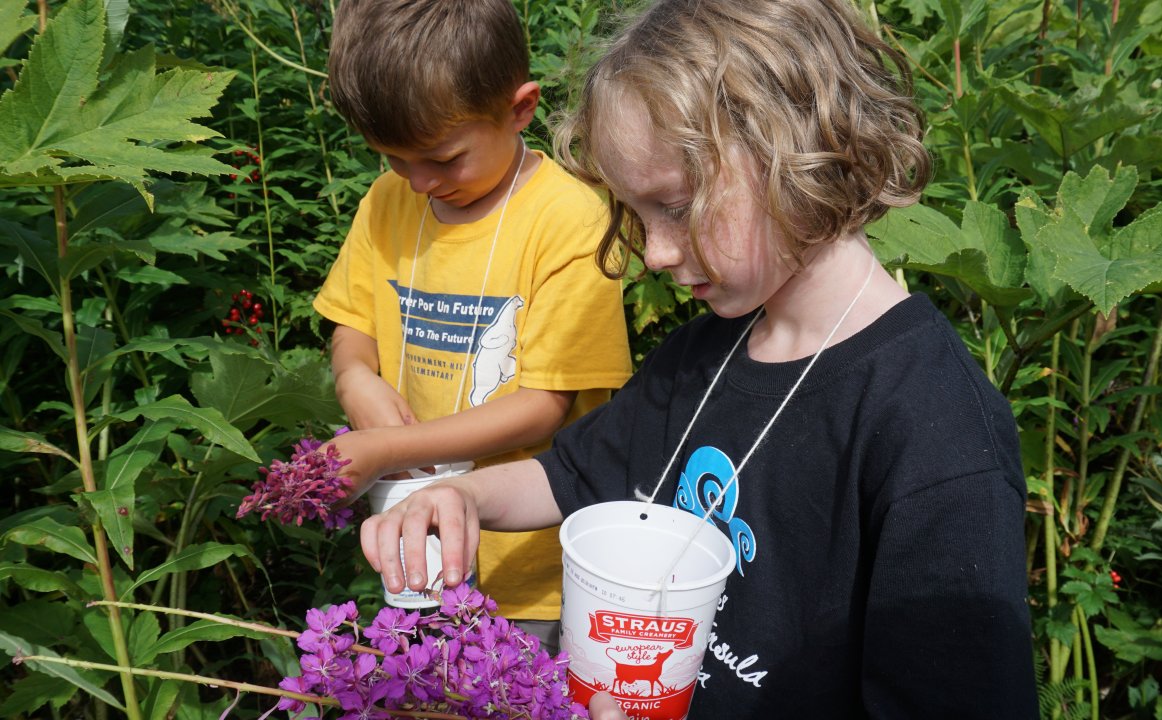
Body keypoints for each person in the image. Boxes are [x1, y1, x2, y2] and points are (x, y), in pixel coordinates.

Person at [350, 0, 1039, 716]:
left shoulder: (937, 435)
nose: (654, 252)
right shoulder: (707, 351)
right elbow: (576, 472)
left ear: (794, 148)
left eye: (674, 206)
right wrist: (460, 497)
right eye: (637, 215)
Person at [316, 0, 632, 649]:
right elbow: (351, 321)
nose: (422, 183)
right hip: (414, 549)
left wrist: (383, 448)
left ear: (520, 109)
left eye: (443, 158)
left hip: (532, 569)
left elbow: (546, 405)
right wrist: (353, 377)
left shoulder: (567, 223)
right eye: (396, 160)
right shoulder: (385, 205)